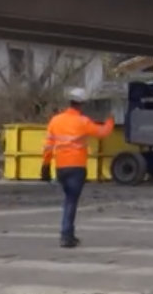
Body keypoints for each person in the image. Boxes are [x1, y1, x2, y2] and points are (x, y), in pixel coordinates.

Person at [40, 87, 113, 249]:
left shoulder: (56, 121)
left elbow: (48, 146)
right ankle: (66, 235)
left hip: (61, 167)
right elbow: (102, 132)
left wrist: (45, 166)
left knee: (68, 199)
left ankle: (69, 234)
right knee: (71, 201)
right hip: (77, 167)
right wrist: (110, 120)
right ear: (82, 104)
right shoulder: (83, 121)